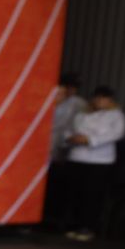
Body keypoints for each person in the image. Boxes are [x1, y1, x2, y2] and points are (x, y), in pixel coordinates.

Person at [61, 85, 125, 241]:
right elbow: (68, 129)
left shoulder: (116, 115)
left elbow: (116, 133)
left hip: (100, 160)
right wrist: (71, 138)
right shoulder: (82, 114)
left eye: (104, 98)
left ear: (110, 100)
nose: (99, 101)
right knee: (76, 193)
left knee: (93, 195)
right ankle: (74, 224)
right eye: (97, 97)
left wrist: (90, 140)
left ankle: (88, 227)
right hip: (78, 157)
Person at [43, 71, 85, 228]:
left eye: (73, 88)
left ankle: (56, 220)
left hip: (65, 148)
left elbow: (78, 126)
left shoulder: (79, 104)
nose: (70, 91)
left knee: (59, 186)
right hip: (46, 145)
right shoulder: (50, 99)